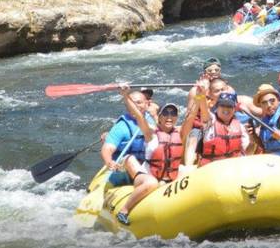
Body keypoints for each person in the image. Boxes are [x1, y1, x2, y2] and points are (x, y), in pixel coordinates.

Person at [116, 88, 183, 225]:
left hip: (168, 175)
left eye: (173, 113)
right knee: (152, 183)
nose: (169, 116)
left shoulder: (179, 132)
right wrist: (125, 95)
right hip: (146, 175)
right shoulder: (150, 134)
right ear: (158, 117)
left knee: (188, 170)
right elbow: (138, 115)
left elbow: (192, 116)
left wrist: (201, 94)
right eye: (165, 113)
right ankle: (124, 210)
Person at [100, 89, 156, 187]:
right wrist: (109, 161)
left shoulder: (150, 119)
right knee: (130, 159)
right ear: (128, 105)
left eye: (139, 103)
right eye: (133, 103)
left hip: (144, 165)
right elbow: (107, 148)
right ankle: (144, 183)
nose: (136, 106)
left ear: (147, 104)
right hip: (123, 171)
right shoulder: (122, 126)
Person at [182, 88, 248, 165]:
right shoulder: (210, 122)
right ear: (217, 107)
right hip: (211, 168)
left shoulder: (240, 126)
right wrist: (201, 95)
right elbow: (204, 111)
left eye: (229, 106)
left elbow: (245, 150)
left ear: (234, 109)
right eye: (222, 105)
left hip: (233, 168)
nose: (226, 109)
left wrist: (253, 136)